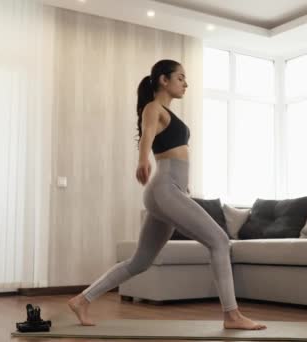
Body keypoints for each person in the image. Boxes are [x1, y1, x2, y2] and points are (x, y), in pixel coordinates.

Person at [68, 59, 267, 330]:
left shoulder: (167, 113)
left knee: (140, 261)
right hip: (164, 188)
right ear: (164, 80)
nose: (186, 83)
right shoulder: (154, 108)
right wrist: (142, 161)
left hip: (169, 190)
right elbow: (147, 133)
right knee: (220, 241)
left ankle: (82, 299)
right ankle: (232, 315)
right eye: (181, 78)